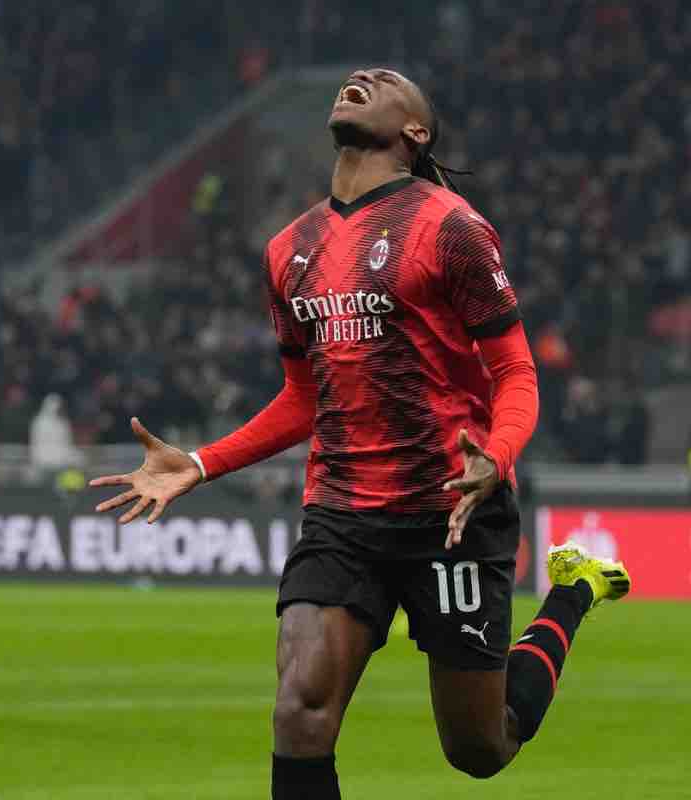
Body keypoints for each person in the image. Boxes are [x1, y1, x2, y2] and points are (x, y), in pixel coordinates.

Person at [92, 68, 631, 796]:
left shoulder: (451, 228)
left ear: (416, 131)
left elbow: (516, 372)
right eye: (358, 77)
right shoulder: (289, 249)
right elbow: (303, 398)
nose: (363, 78)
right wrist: (202, 461)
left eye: (387, 82)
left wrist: (496, 458)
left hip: (451, 508)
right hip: (342, 513)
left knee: (480, 748)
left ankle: (571, 592)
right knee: (300, 711)